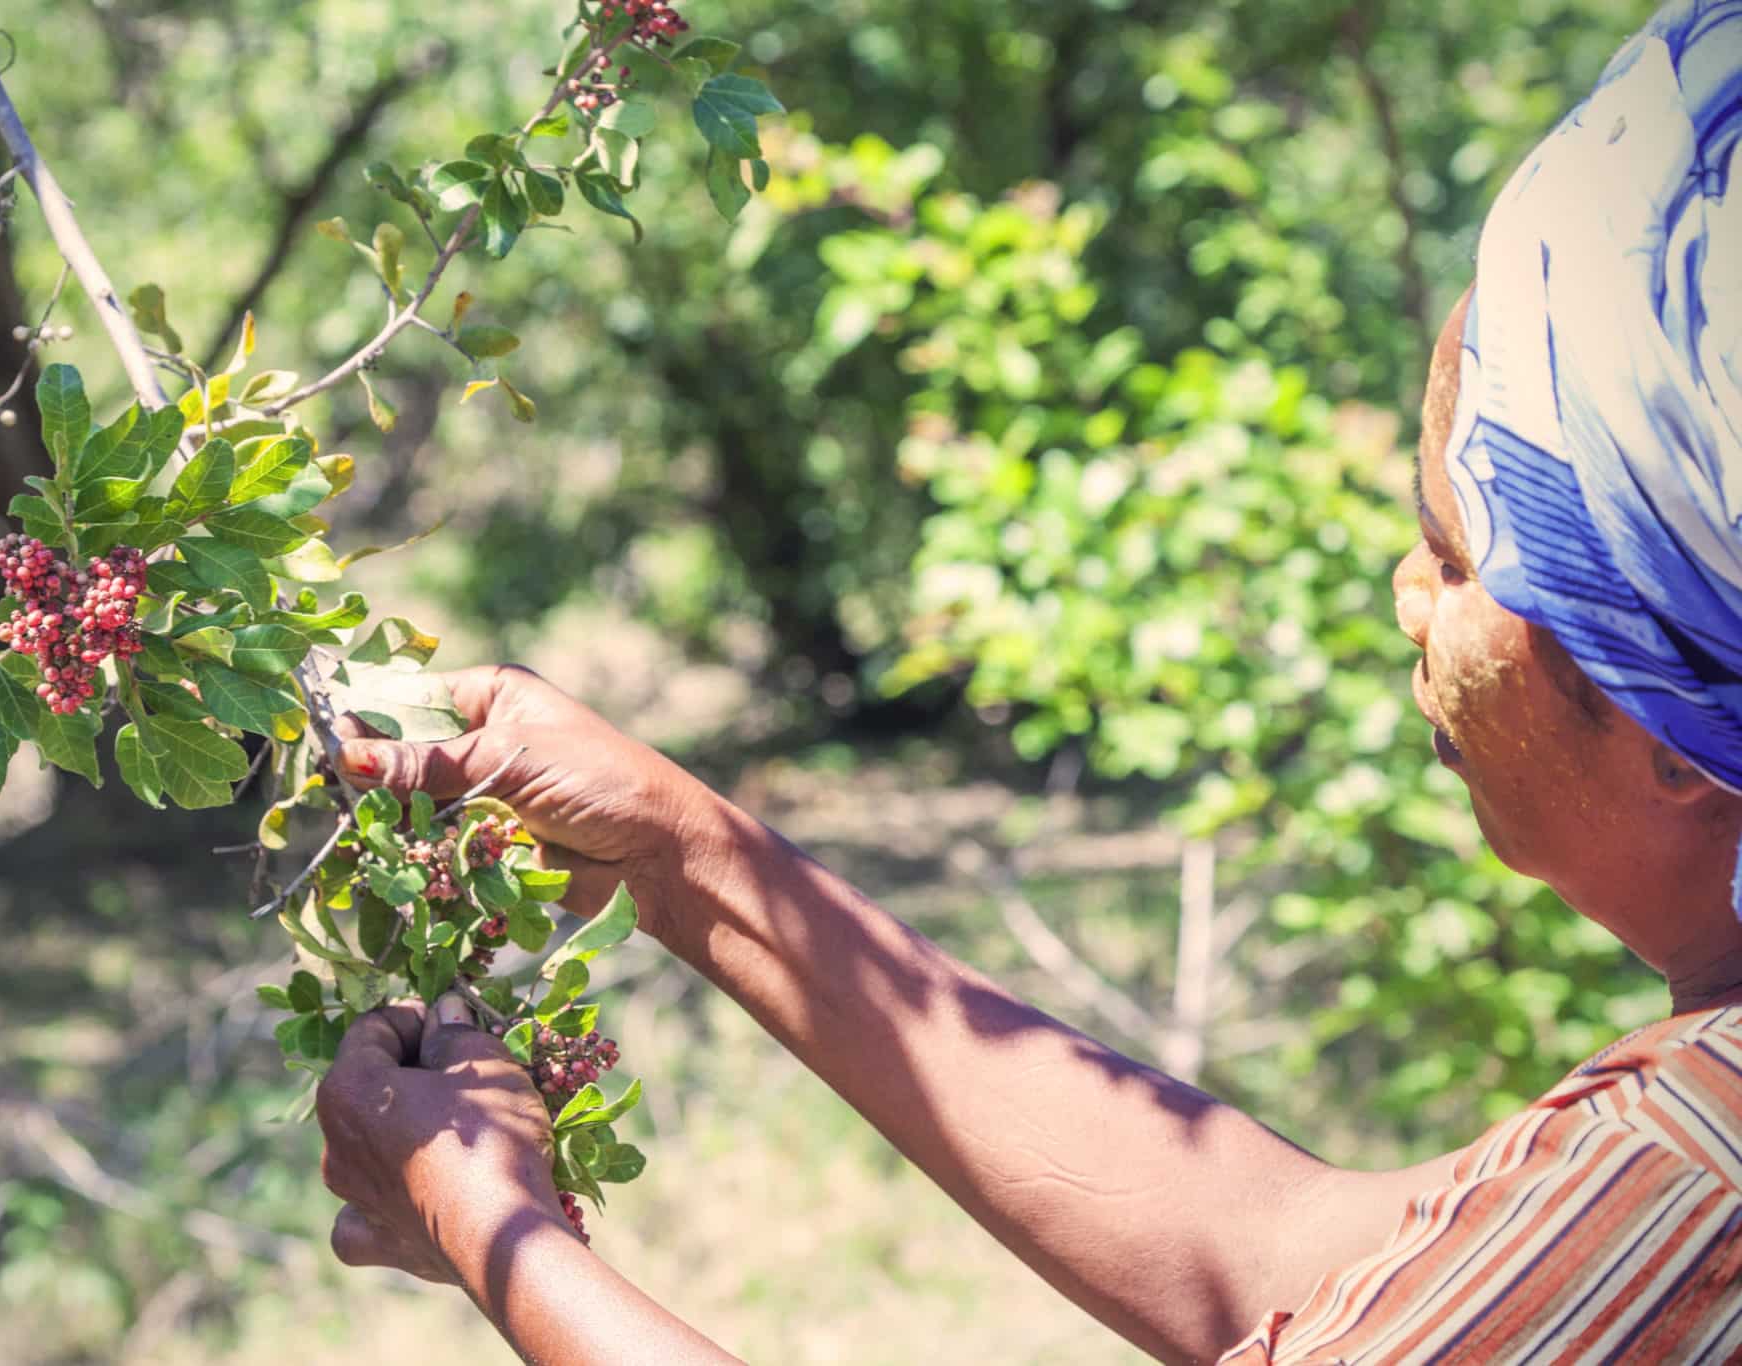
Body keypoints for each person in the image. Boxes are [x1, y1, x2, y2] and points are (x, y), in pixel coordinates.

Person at [310, 4, 1742, 1360]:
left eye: (1456, 547)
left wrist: (494, 1227)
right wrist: (682, 849)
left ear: (1671, 710)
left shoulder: (1693, 1194)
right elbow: (1314, 1266)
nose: (1407, 596)